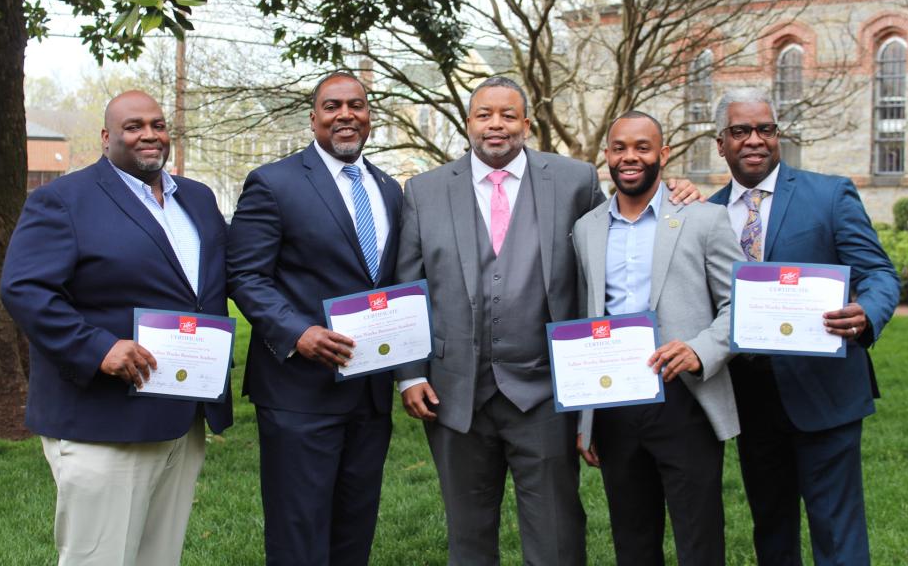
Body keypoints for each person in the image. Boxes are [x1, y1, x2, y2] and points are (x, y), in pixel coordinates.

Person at [395, 77, 700, 565]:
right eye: (485, 115)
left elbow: (615, 238)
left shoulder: (573, 180)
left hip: (544, 390)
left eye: (508, 115)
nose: (497, 125)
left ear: (526, 124)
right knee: (468, 534)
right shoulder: (424, 190)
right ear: (468, 123)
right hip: (454, 392)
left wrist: (673, 190)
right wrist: (410, 374)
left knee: (556, 533)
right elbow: (409, 288)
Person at [0, 90, 232, 566]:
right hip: (103, 419)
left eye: (158, 124)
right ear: (107, 137)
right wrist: (97, 347)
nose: (149, 134)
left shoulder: (199, 199)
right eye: (133, 126)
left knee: (158, 557)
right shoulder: (63, 200)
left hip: (181, 412)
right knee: (100, 558)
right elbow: (24, 289)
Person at [708, 88, 900, 566]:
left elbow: (877, 273)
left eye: (766, 129)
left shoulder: (829, 193)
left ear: (778, 136)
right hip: (750, 397)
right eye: (740, 131)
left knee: (837, 533)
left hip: (826, 390)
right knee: (771, 530)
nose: (755, 140)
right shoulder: (703, 214)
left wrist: (868, 314)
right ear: (721, 143)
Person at [226, 71, 403, 566]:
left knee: (355, 527)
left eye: (356, 105)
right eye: (332, 106)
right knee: (299, 531)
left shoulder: (389, 188)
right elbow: (244, 276)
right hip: (298, 393)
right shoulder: (274, 183)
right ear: (313, 118)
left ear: (369, 116)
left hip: (369, 391)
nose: (346, 115)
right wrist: (295, 332)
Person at [572, 111, 743, 566]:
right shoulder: (586, 228)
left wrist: (700, 349)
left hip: (685, 400)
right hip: (615, 404)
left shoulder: (704, 220)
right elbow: (585, 316)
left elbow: (740, 306)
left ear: (662, 155)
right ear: (606, 155)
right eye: (620, 148)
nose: (630, 157)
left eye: (643, 147)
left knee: (700, 538)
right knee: (632, 540)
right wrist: (585, 416)